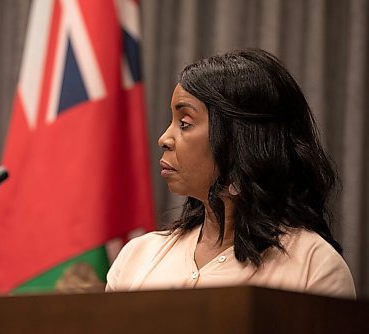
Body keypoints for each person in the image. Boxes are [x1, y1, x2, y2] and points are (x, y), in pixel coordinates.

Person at [106, 48, 356, 298]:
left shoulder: (314, 266)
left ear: (239, 142)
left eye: (185, 123)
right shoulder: (137, 257)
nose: (164, 139)